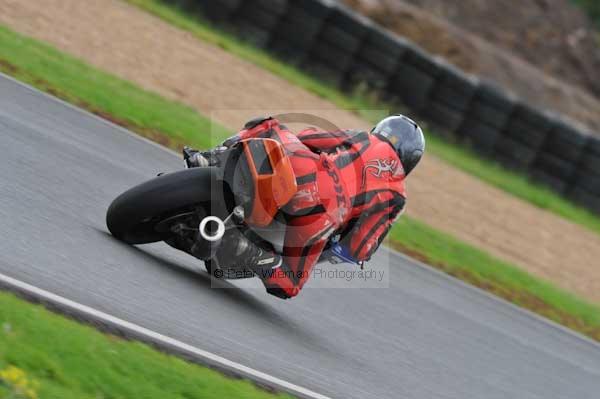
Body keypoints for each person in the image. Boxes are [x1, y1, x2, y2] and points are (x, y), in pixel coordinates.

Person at [184, 115, 425, 299]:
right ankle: (248, 250)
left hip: (302, 170)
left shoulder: (364, 138)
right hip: (322, 216)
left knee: (269, 124)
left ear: (381, 130)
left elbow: (310, 139)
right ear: (410, 160)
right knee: (290, 284)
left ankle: (211, 157)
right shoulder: (397, 194)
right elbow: (359, 247)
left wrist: (299, 148)